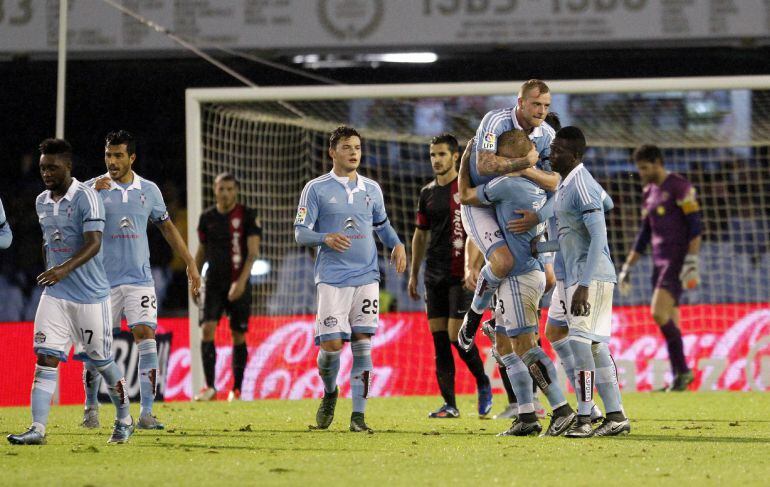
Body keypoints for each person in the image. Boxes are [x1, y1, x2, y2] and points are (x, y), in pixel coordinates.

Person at [8, 139, 133, 445]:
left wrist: (63, 269)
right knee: (45, 357)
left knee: (102, 361)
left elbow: (94, 243)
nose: (46, 173)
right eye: (42, 168)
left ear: (68, 166)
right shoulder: (40, 201)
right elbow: (49, 240)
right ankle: (37, 428)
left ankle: (125, 418)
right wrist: (52, 269)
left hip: (91, 296)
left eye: (52, 167)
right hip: (56, 295)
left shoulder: (86, 197)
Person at [80, 130, 201, 430]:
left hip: (139, 279)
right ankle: (90, 408)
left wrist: (190, 263)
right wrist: (90, 191)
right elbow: (67, 212)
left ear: (131, 157)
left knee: (146, 334)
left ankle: (146, 412)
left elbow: (168, 228)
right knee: (96, 346)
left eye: (118, 155)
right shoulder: (91, 188)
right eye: (108, 155)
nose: (112, 161)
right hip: (100, 281)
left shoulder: (149, 190)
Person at [459, 129, 576, 436]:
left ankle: (562, 409)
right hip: (535, 271)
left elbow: (466, 195)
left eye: (497, 155)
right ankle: (526, 416)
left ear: (507, 157)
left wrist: (464, 162)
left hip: (517, 278)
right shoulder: (540, 187)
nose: (492, 160)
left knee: (526, 347)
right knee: (503, 345)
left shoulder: (505, 184)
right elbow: (558, 191)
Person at [294, 126, 406, 432]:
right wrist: (324, 237)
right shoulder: (316, 189)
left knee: (363, 342)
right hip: (331, 278)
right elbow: (300, 232)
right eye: (346, 147)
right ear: (332, 152)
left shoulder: (372, 189)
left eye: (356, 147)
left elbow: (382, 225)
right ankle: (330, 390)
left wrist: (396, 244)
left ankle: (358, 416)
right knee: (331, 346)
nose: (353, 152)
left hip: (367, 275)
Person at [457, 79, 559, 351]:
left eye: (546, 105)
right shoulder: (495, 121)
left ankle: (500, 320)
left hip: (518, 204)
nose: (541, 110)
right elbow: (485, 164)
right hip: (481, 203)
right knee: (503, 262)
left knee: (549, 279)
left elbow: (556, 181)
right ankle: (474, 316)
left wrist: (526, 171)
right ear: (520, 102)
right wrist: (526, 163)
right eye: (536, 104)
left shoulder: (547, 135)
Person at [549, 126, 630, 437]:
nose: (551, 154)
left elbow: (599, 236)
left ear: (575, 156)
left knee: (582, 346)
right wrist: (543, 248)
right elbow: (602, 206)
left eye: (558, 151)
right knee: (593, 348)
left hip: (589, 278)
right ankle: (615, 416)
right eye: (552, 148)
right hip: (575, 275)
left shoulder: (580, 183)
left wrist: (584, 284)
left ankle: (585, 418)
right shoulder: (570, 184)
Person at [408, 133, 492, 419]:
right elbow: (421, 235)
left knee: (458, 338)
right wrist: (413, 272)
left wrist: (476, 265)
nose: (436, 160)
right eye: (433, 155)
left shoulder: (467, 189)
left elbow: (480, 230)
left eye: (442, 154)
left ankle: (483, 382)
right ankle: (450, 404)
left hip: (461, 273)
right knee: (440, 340)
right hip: (434, 274)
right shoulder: (427, 193)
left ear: (455, 156)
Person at [618, 144, 702, 391]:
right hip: (658, 262)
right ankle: (679, 377)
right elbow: (644, 235)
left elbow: (695, 227)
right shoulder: (649, 192)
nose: (641, 173)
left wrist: (692, 261)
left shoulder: (680, 186)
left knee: (658, 313)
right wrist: (627, 267)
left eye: (644, 168)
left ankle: (684, 371)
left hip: (676, 262)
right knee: (671, 319)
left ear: (657, 163)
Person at [195, 172, 262, 401]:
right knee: (207, 329)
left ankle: (237, 389)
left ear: (236, 190)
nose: (225, 193)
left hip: (239, 282)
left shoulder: (247, 215)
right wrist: (194, 278)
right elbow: (202, 250)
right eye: (221, 188)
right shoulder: (207, 217)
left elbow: (252, 253)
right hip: (213, 282)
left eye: (229, 189)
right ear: (214, 190)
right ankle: (210, 387)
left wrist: (241, 282)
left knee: (238, 334)